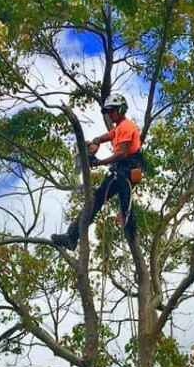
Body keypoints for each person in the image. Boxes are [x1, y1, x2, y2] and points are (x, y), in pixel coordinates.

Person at [51, 94, 143, 250]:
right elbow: (105, 137)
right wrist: (94, 143)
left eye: (112, 111)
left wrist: (98, 162)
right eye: (108, 111)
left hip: (124, 172)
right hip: (120, 172)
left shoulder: (127, 127)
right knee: (97, 202)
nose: (110, 114)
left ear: (121, 109)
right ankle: (72, 237)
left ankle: (72, 236)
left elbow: (122, 153)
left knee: (97, 201)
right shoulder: (119, 128)